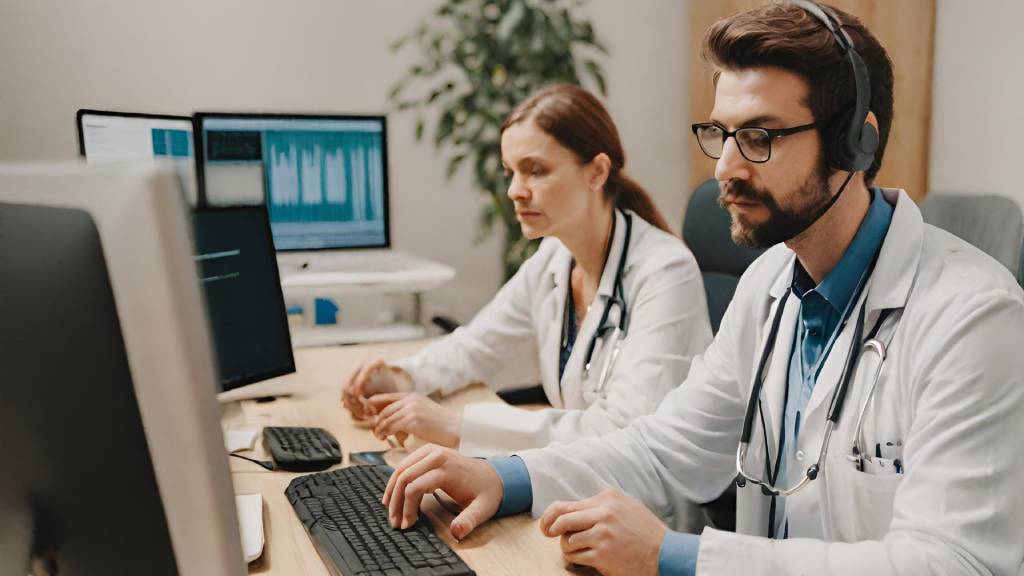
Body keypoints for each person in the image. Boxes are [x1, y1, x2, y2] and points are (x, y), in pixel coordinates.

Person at [379, 2, 1024, 575]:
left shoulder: (973, 319)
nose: (725, 167)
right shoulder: (772, 281)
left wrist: (673, 556)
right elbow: (667, 446)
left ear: (856, 143)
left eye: (760, 137)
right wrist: (503, 475)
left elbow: (952, 562)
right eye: (720, 134)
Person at [341, 84, 712, 465]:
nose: (515, 191)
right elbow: (476, 347)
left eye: (536, 171)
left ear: (597, 171)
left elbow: (624, 428)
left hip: (646, 501)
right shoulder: (554, 257)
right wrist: (403, 378)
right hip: (576, 475)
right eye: (510, 172)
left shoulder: (665, 272)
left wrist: (460, 426)